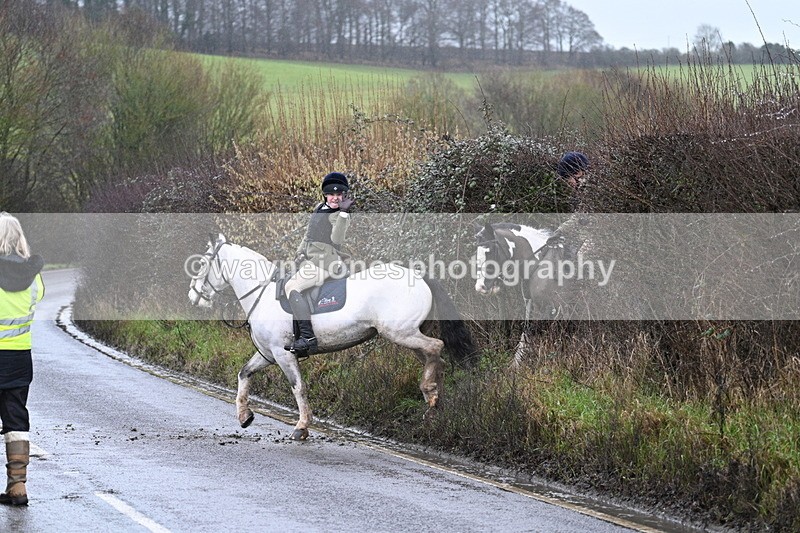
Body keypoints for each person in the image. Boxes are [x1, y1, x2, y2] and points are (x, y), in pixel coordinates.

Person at [0, 212, 44, 506]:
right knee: (16, 418)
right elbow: (37, 298)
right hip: (18, 357)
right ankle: (18, 488)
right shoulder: (32, 276)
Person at [284, 172, 353, 357]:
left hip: (325, 263)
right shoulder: (319, 207)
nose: (335, 198)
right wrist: (299, 252)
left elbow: (337, 240)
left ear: (344, 196)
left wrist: (344, 214)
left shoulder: (339, 214)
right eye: (332, 194)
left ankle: (308, 338)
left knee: (292, 286)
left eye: (339, 195)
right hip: (310, 259)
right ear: (325, 195)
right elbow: (309, 235)